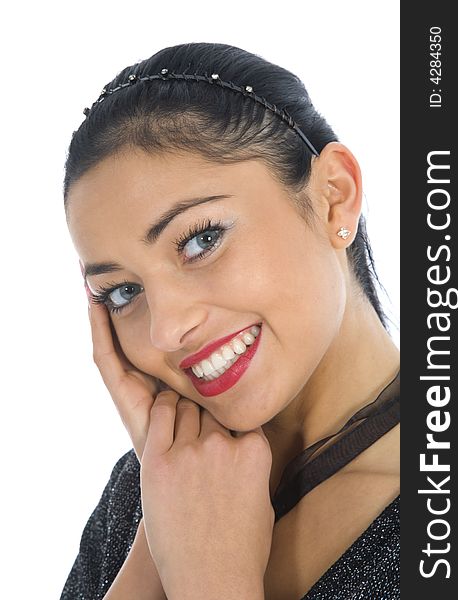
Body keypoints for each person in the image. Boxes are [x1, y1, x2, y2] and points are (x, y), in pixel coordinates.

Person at [60, 42, 400, 599]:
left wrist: (208, 579)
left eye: (200, 240)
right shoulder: (145, 491)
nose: (165, 330)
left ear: (334, 198)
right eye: (124, 291)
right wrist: (156, 537)